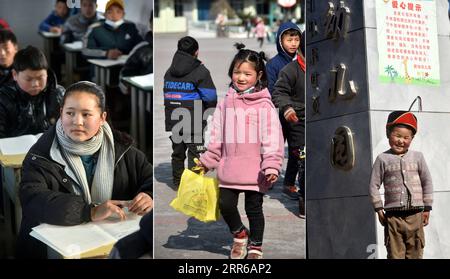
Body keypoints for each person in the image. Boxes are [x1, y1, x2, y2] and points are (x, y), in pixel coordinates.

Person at [17, 81, 153, 258]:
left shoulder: (124, 150)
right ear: (61, 113)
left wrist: (150, 195)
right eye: (70, 113)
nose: (77, 122)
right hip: (57, 249)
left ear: (102, 117)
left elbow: (150, 178)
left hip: (109, 245)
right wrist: (89, 211)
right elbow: (32, 199)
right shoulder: (41, 155)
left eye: (86, 114)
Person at [197, 43, 284, 259]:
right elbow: (216, 135)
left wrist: (272, 165)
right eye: (237, 72)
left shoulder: (265, 105)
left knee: (254, 210)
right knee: (225, 204)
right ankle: (239, 234)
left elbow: (272, 138)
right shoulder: (226, 103)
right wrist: (208, 160)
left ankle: (256, 245)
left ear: (259, 75)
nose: (241, 78)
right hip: (230, 169)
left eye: (247, 73)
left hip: (256, 171)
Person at [369, 111, 433, 259]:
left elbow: (427, 182)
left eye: (406, 137)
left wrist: (427, 208)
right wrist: (379, 210)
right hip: (393, 218)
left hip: (415, 216)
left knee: (415, 252)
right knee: (394, 254)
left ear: (412, 138)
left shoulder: (418, 157)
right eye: (397, 136)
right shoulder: (382, 159)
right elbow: (373, 185)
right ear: (388, 134)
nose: (401, 141)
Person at [163, 36, 217, 188]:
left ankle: (178, 181)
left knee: (178, 152)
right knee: (195, 152)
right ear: (196, 52)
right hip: (194, 120)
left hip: (174, 119)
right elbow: (211, 98)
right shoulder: (201, 71)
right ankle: (193, 184)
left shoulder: (169, 71)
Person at [266, 21, 301, 200]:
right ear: (280, 41)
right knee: (274, 147)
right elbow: (270, 89)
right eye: (289, 40)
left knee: (296, 150)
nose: (293, 43)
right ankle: (268, 176)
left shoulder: (302, 61)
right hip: (279, 113)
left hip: (297, 114)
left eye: (296, 39)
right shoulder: (273, 64)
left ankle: (288, 183)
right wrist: (281, 105)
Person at [272, 37, 306, 218]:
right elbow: (279, 91)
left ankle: (290, 183)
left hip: (320, 120)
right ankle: (304, 200)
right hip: (297, 120)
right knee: (304, 160)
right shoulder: (290, 69)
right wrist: (287, 107)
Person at [0, 46, 64, 138]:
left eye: (40, 78)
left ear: (46, 73)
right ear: (15, 75)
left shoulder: (58, 94)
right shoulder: (3, 98)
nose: (35, 84)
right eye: (28, 79)